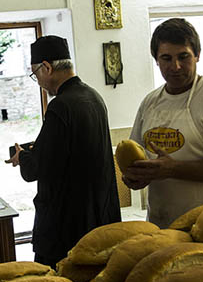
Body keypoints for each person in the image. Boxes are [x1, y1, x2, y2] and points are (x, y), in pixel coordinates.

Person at [122, 18, 203, 228]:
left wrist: (172, 169)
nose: (175, 66)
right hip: (161, 224)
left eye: (184, 56)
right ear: (156, 60)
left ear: (197, 55)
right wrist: (136, 177)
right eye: (166, 58)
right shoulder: (150, 103)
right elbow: (137, 155)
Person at [7, 35, 121, 269]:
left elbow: (37, 168)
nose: (37, 80)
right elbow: (71, 149)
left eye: (35, 73)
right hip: (97, 218)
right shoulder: (93, 96)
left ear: (46, 67)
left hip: (66, 225)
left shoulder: (61, 105)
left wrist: (22, 156)